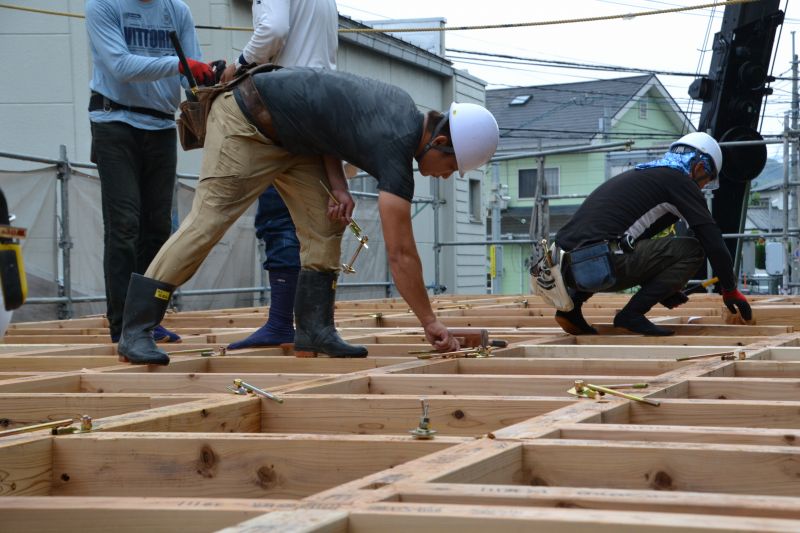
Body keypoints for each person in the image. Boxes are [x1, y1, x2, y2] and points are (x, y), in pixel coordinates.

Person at [117, 66, 499, 364]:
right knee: (208, 222)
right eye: (451, 167)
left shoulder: (401, 111)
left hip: (295, 139)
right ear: (441, 141)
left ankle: (315, 330)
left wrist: (337, 185)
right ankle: (136, 329)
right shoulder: (396, 145)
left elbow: (325, 126)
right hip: (245, 122)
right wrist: (430, 322)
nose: (447, 175)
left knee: (325, 224)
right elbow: (401, 253)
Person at [86, 0, 216, 344]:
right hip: (113, 121)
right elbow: (120, 66)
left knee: (158, 228)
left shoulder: (177, 10)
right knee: (124, 225)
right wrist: (180, 65)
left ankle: (147, 322)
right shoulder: (103, 5)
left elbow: (192, 71)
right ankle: (122, 327)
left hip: (159, 126)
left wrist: (209, 84)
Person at [220, 0, 339, 351]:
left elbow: (272, 31)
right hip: (319, 106)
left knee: (278, 217)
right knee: (312, 224)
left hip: (286, 106)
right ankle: (315, 328)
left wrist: (239, 65)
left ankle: (281, 324)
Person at [553, 132, 752, 336]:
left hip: (565, 268)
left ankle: (571, 311)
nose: (702, 188)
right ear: (699, 167)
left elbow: (633, 242)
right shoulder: (680, 182)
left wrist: (662, 288)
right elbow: (712, 240)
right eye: (705, 181)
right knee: (694, 250)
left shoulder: (645, 176)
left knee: (605, 243)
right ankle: (632, 314)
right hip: (598, 264)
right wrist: (729, 289)